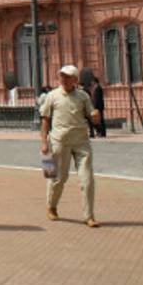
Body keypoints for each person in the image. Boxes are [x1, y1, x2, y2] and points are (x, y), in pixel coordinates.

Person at [40, 65, 101, 228]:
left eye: (67, 77)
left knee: (87, 180)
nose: (63, 79)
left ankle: (89, 215)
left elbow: (92, 116)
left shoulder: (83, 96)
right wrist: (44, 142)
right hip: (60, 142)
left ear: (75, 79)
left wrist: (96, 116)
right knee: (58, 178)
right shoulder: (52, 96)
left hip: (81, 142)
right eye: (61, 76)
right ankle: (51, 206)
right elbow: (45, 119)